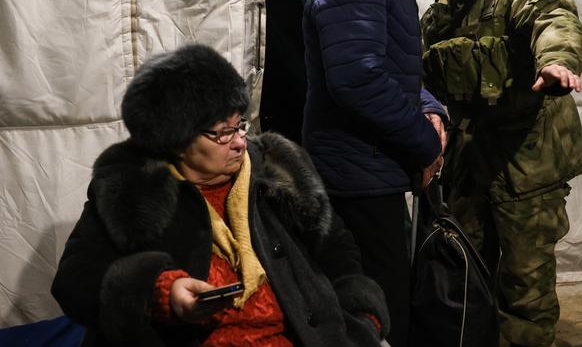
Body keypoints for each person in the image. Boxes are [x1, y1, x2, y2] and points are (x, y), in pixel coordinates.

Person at [51, 44, 390, 347]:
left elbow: (337, 249)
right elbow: (76, 280)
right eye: (222, 132)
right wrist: (161, 291)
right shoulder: (133, 188)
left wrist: (363, 319)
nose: (240, 141)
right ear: (177, 140)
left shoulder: (278, 171)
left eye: (240, 124)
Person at [420, 0, 582, 347]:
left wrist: (557, 62)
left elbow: (553, 19)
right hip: (472, 161)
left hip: (527, 165)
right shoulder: (445, 6)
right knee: (466, 269)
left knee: (523, 287)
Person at [301, 0, 446, 347]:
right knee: (377, 307)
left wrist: (432, 111)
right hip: (358, 173)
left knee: (385, 297)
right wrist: (425, 143)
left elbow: (396, 70)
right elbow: (358, 79)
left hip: (375, 165)